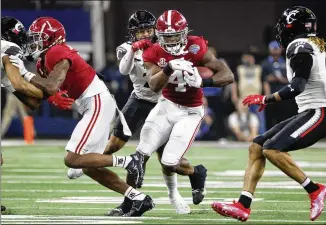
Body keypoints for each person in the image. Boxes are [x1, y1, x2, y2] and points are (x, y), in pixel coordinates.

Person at [13, 16, 154, 216]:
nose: (34, 42)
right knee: (86, 166)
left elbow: (51, 85)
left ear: (52, 38)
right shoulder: (42, 62)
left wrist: (23, 74)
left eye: (39, 38)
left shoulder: (57, 51)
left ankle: (131, 161)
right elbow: (45, 93)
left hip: (96, 102)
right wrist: (50, 98)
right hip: (92, 104)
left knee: (72, 159)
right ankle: (137, 198)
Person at [68, 10, 192, 215]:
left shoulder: (164, 46)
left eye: (147, 29)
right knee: (114, 143)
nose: (144, 34)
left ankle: (174, 194)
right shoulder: (126, 48)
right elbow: (123, 70)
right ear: (132, 33)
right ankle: (87, 163)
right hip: (138, 99)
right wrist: (133, 50)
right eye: (140, 31)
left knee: (165, 157)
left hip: (162, 102)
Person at [212, 6, 326, 222]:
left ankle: (315, 190)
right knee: (257, 145)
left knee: (272, 148)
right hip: (312, 109)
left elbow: (297, 87)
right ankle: (243, 205)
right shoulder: (316, 44)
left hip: (319, 110)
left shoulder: (299, 45)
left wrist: (266, 98)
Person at [137, 9, 234, 210]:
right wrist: (168, 68)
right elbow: (154, 86)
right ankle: (131, 200)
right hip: (167, 105)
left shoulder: (196, 46)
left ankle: (196, 173)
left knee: (170, 162)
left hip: (190, 110)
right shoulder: (154, 51)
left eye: (174, 35)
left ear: (184, 32)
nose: (171, 41)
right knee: (140, 154)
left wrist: (203, 81)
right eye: (167, 36)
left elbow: (227, 75)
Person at [1, 16, 73, 212]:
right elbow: (20, 84)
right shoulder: (8, 47)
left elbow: (23, 95)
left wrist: (47, 98)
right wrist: (52, 95)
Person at [231, 51, 266, 134]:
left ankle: (261, 136)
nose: (248, 60)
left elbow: (264, 82)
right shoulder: (239, 69)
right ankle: (245, 135)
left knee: (259, 117)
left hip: (257, 98)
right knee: (244, 117)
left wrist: (267, 96)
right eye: (246, 58)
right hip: (244, 98)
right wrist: (234, 95)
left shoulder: (259, 68)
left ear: (253, 59)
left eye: (250, 58)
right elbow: (235, 83)